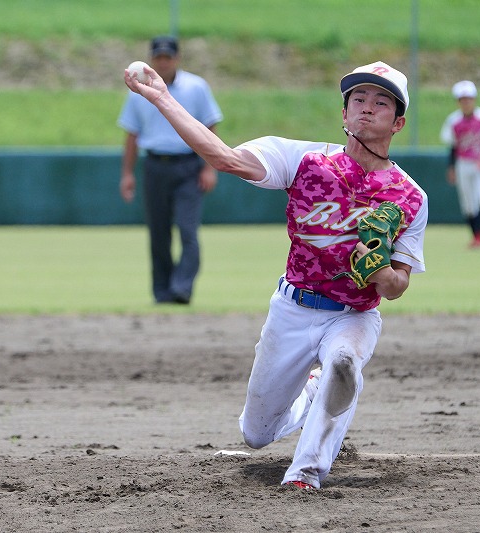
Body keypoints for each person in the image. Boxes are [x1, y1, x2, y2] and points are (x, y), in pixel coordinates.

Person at [123, 60, 427, 489]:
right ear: (343, 113)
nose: (366, 106)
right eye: (358, 98)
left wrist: (381, 273)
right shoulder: (306, 161)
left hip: (354, 315)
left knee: (344, 362)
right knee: (256, 434)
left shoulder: (410, 196)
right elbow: (225, 158)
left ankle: (305, 473)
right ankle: (313, 390)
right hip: (292, 309)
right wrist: (162, 99)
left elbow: (397, 286)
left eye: (381, 102)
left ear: (398, 123)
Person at [117, 35, 223, 304]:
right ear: (151, 59)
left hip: (188, 166)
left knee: (187, 230)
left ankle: (181, 289)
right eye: (158, 57)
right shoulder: (138, 92)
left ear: (177, 58)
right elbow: (131, 135)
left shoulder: (196, 87)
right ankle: (162, 291)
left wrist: (210, 167)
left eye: (167, 57)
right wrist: (127, 174)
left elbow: (210, 126)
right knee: (158, 232)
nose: (163, 62)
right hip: (155, 166)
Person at [440, 80, 480, 248]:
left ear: (474, 99)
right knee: (468, 203)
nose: (466, 102)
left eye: (468, 99)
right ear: (458, 101)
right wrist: (451, 167)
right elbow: (453, 146)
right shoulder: (453, 120)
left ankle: (479, 235)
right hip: (463, 163)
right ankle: (476, 236)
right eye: (462, 99)